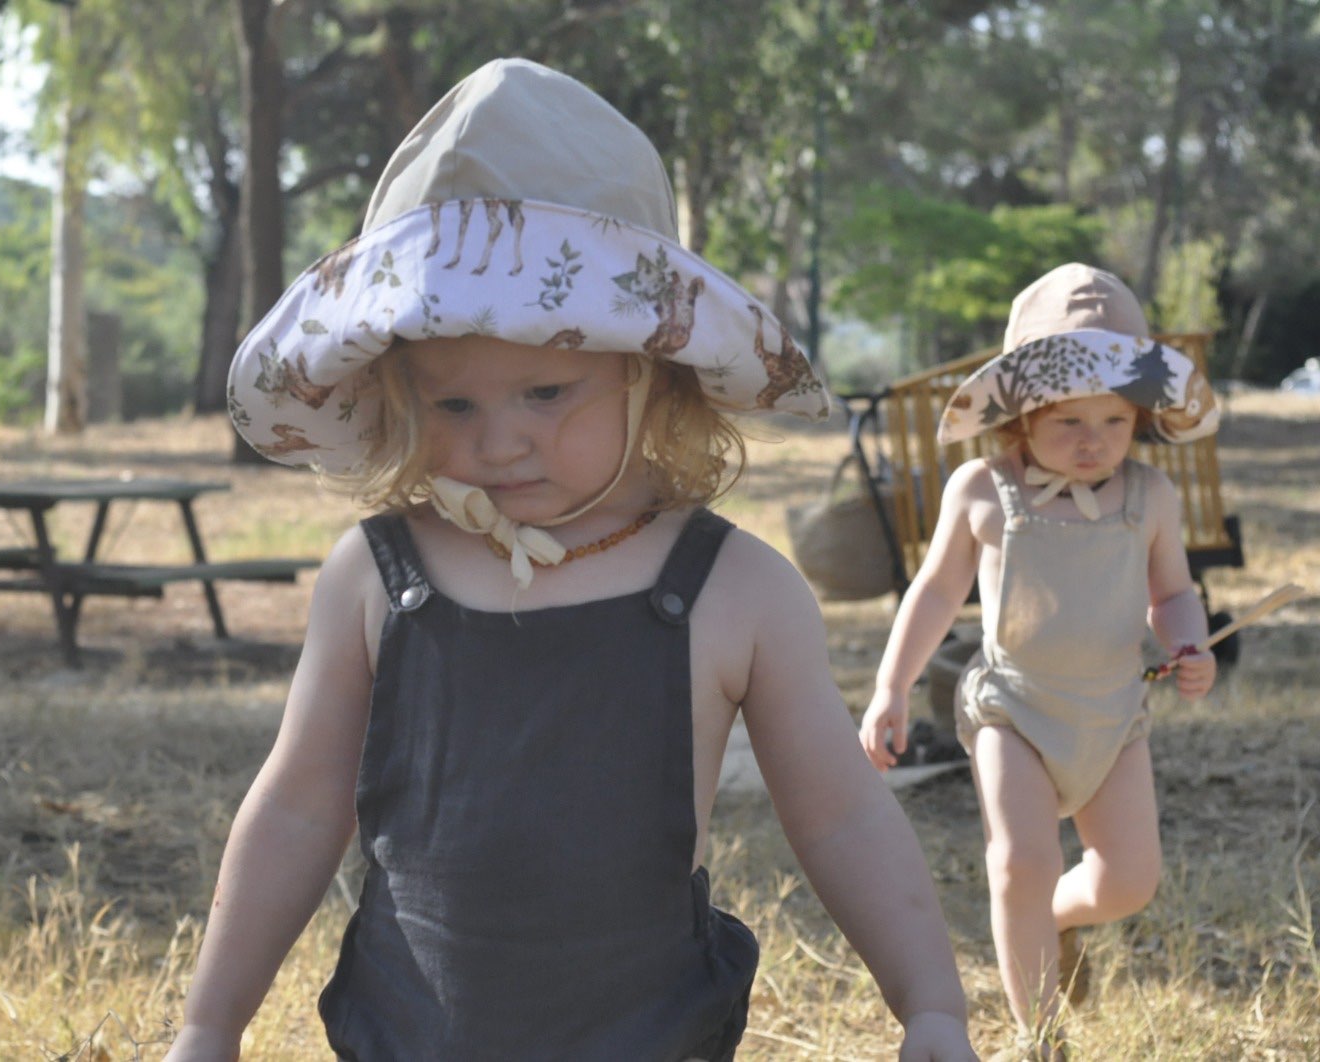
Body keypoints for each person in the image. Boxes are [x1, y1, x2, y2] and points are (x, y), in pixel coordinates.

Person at [166, 58, 975, 1062]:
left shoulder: (737, 590)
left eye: (545, 394)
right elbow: (295, 805)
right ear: (397, 396)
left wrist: (930, 1004)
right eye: (454, 404)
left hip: (649, 1033)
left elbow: (841, 818)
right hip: (409, 1031)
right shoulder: (375, 577)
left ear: (652, 379)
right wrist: (210, 1024)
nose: (499, 443)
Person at [859, 264, 1220, 1057]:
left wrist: (1188, 643)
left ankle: (1055, 919)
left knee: (1130, 879)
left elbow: (1174, 594)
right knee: (1018, 859)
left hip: (1111, 711)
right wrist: (892, 688)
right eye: (1068, 424)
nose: (1094, 442)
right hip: (1013, 708)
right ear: (1019, 418)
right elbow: (933, 595)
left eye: (1114, 422)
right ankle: (1040, 1032)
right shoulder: (983, 492)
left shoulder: (1150, 496)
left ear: (1139, 420)